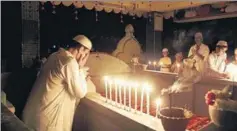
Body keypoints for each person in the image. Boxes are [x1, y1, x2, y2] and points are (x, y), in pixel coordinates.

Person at [22, 35, 92, 131]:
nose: (85, 57)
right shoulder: (69, 62)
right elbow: (80, 92)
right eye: (86, 53)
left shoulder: (55, 55)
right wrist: (80, 68)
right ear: (81, 49)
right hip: (46, 120)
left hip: (34, 115)